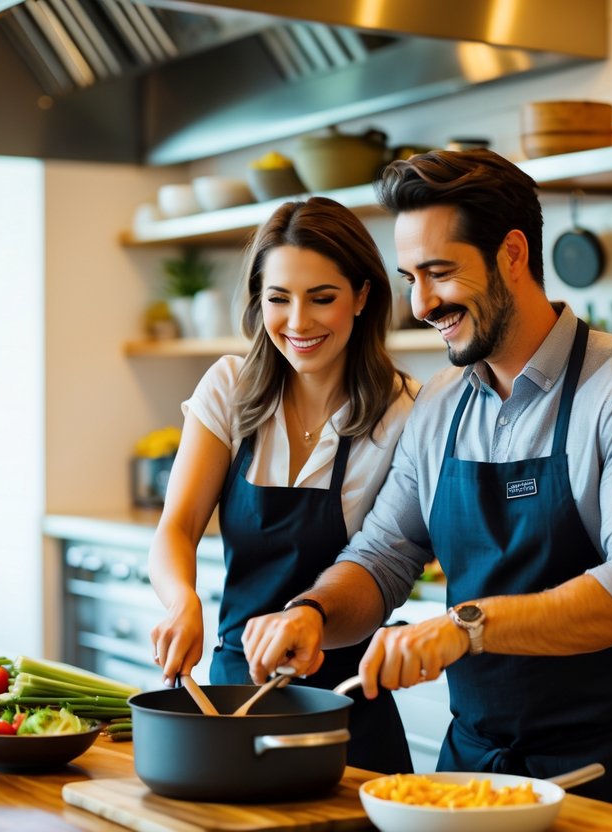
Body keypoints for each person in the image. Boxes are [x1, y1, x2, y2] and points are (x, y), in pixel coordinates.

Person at [240, 150, 612, 828]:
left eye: (439, 273)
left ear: (512, 254)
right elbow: (382, 556)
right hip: (469, 780)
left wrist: (467, 628)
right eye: (409, 277)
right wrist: (312, 613)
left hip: (607, 774)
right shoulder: (437, 406)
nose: (421, 303)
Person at [148, 196, 419, 774]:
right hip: (233, 689)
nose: (298, 323)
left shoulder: (405, 411)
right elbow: (177, 527)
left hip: (347, 702)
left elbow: (391, 559)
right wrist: (182, 601)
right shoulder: (229, 388)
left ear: (362, 296)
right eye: (278, 299)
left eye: (322, 298)